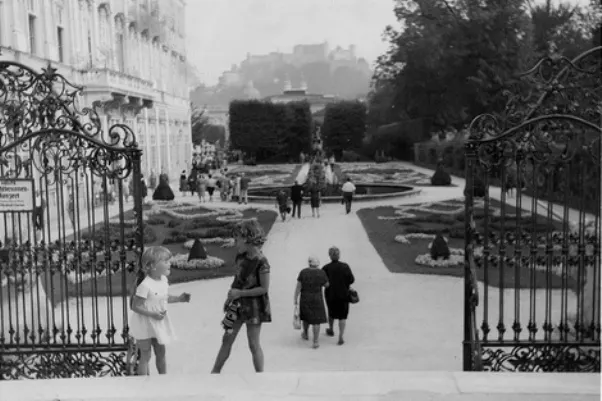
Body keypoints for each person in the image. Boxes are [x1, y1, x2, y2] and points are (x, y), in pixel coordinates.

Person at [211, 220, 271, 374]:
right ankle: (215, 372)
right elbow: (237, 279)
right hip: (236, 305)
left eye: (236, 238)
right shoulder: (240, 257)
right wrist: (229, 296)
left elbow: (263, 289)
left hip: (254, 307)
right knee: (227, 339)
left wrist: (240, 293)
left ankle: (260, 375)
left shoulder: (262, 262)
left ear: (246, 238)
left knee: (253, 344)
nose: (234, 242)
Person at [129, 246, 191, 375]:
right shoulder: (145, 285)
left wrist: (179, 298)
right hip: (144, 324)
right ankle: (143, 384)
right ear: (152, 266)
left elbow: (163, 298)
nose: (170, 264)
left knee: (161, 352)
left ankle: (163, 380)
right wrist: (152, 314)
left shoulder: (163, 280)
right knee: (146, 355)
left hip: (158, 322)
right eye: (166, 261)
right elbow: (135, 306)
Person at [322, 246, 355, 345]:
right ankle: (341, 336)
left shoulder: (326, 268)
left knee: (331, 312)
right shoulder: (345, 266)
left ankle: (331, 329)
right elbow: (351, 280)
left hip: (330, 294)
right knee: (342, 316)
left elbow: (323, 281)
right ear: (339, 255)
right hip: (343, 294)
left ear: (330, 256)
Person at [294, 256, 329, 349]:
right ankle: (316, 341)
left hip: (305, 297)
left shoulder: (303, 272)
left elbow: (298, 287)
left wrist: (295, 298)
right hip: (317, 297)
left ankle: (305, 333)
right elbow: (326, 285)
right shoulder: (321, 272)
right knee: (316, 320)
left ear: (309, 263)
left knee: (306, 317)